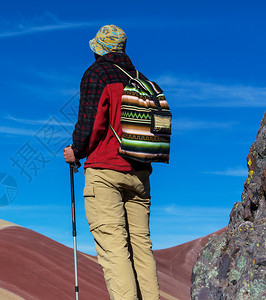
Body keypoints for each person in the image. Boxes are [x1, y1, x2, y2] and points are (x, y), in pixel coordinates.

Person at [63, 25, 160, 300]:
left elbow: (91, 124)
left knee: (114, 249)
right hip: (140, 175)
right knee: (141, 248)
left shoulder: (97, 74)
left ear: (100, 49)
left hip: (105, 172)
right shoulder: (143, 80)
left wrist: (76, 151)